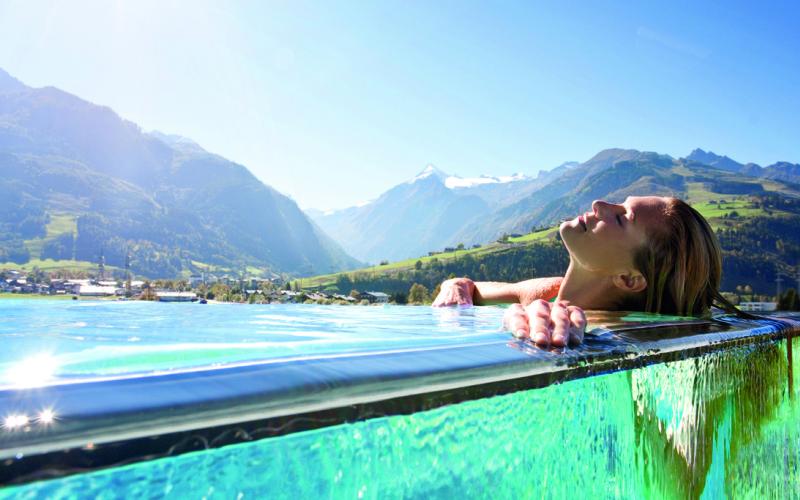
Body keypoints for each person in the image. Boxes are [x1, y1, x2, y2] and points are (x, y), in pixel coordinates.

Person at [432, 196, 740, 347]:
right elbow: (475, 289)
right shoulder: (547, 291)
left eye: (621, 218)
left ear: (629, 278)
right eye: (619, 203)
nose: (600, 204)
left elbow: (578, 326)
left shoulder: (613, 331)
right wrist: (456, 284)